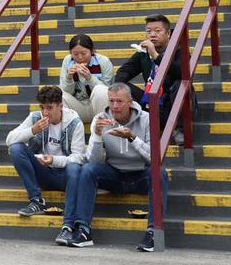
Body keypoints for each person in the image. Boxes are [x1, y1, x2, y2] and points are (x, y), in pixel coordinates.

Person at [68, 82, 166, 252]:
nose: (114, 106)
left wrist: (132, 138)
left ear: (130, 102)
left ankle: (152, 232)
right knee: (87, 170)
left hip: (140, 173)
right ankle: (83, 230)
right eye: (111, 101)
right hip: (114, 174)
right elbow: (94, 161)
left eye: (119, 101)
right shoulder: (100, 119)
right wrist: (98, 136)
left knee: (159, 173)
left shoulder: (147, 119)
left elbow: (154, 158)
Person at [5, 86, 84, 234]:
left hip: (65, 176)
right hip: (43, 172)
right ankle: (36, 201)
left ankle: (68, 223)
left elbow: (79, 157)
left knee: (75, 167)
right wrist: (32, 131)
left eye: (49, 108)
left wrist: (54, 160)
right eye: (42, 107)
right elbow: (9, 140)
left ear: (60, 106)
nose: (45, 113)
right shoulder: (35, 117)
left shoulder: (75, 122)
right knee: (16, 148)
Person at [114, 15, 182, 139]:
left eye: (157, 31)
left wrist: (156, 56)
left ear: (168, 34)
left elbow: (181, 73)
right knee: (121, 87)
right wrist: (118, 89)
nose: (152, 35)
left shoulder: (178, 51)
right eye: (149, 31)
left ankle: (178, 130)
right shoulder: (143, 53)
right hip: (151, 102)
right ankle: (132, 125)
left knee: (181, 84)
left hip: (170, 103)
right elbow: (124, 72)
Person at [58, 34, 113, 126]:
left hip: (99, 107)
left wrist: (89, 78)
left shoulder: (103, 61)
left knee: (100, 89)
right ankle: (68, 131)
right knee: (58, 93)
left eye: (83, 53)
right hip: (78, 107)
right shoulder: (67, 61)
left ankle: (104, 127)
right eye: (75, 54)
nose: (80, 57)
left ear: (91, 51)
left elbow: (107, 92)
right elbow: (66, 91)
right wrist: (69, 77)